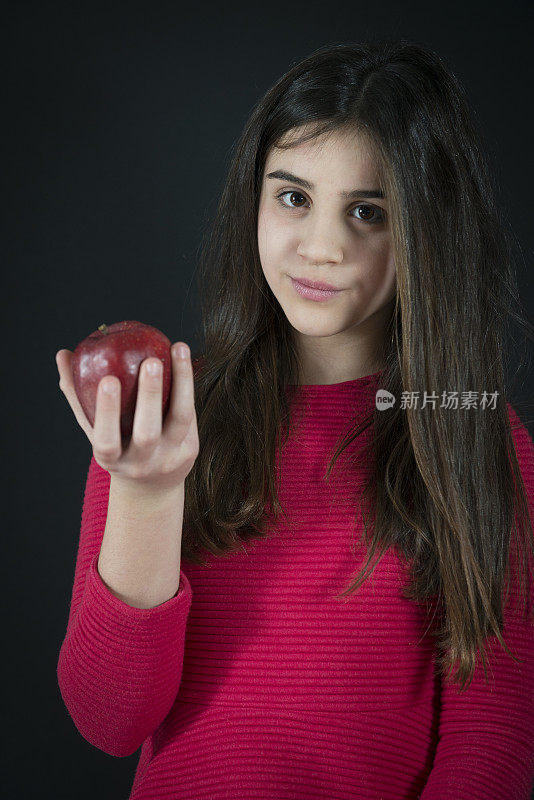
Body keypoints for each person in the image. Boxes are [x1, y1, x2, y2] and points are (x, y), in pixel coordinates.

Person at [55, 39, 534, 799]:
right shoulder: (166, 417)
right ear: (254, 197)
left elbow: (492, 741)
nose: (321, 247)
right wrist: (145, 494)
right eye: (293, 197)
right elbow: (108, 721)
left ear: (428, 227)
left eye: (368, 212)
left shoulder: (471, 429)